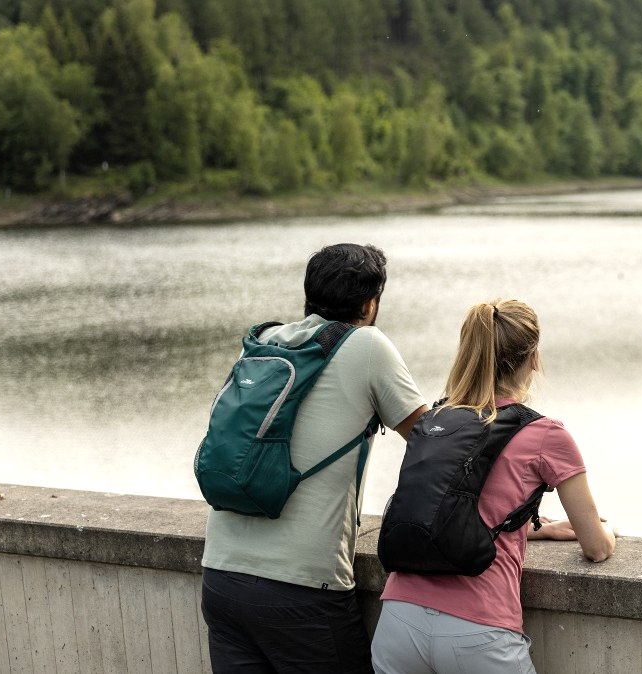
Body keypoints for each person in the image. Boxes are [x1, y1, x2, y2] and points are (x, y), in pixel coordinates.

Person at [200, 243, 429, 673]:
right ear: (370, 302)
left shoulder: (263, 342)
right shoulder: (367, 345)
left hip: (222, 577)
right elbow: (435, 440)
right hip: (303, 590)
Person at [371, 299, 617, 674]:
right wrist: (608, 532)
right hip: (478, 632)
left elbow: (446, 516)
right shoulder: (545, 433)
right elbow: (595, 548)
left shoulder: (436, 421)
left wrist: (536, 531)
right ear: (533, 357)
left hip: (398, 623)